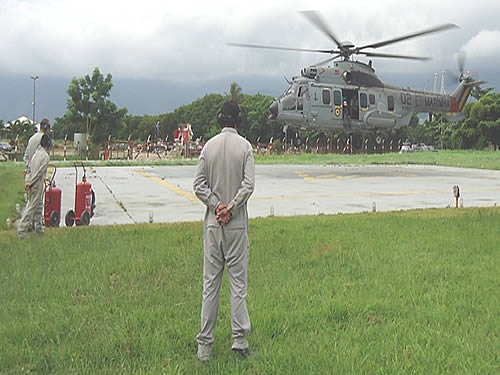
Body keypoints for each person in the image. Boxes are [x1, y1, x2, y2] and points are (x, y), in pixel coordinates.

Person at [193, 100, 255, 362]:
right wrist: (230, 207)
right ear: (238, 121)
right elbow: (248, 185)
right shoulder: (245, 147)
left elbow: (198, 184)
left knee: (210, 285)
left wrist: (216, 205)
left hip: (212, 226)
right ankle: (239, 342)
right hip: (236, 224)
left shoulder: (208, 146)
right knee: (237, 284)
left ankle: (204, 348)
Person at [17, 134, 52, 238]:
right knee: (32, 207)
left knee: (38, 206)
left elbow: (31, 169)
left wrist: (29, 180)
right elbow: (39, 172)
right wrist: (31, 182)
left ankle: (39, 228)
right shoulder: (45, 156)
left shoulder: (36, 154)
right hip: (36, 183)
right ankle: (22, 229)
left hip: (33, 182)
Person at [23, 118, 51, 231]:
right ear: (46, 128)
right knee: (36, 204)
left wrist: (29, 168)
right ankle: (30, 226)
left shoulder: (31, 139)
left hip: (29, 175)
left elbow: (25, 157)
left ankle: (33, 226)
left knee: (33, 202)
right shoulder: (43, 140)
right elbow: (41, 164)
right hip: (36, 178)